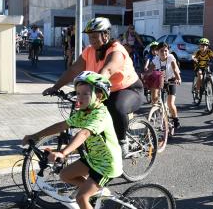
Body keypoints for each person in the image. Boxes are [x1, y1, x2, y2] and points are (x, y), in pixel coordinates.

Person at [22, 71, 122, 209]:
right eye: (78, 93)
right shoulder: (83, 112)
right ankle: (98, 192)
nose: (80, 97)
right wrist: (35, 135)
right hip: (92, 159)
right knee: (65, 175)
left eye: (86, 93)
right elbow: (62, 126)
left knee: (81, 196)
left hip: (107, 164)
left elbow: (83, 134)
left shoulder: (100, 114)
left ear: (98, 95)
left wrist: (64, 152)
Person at [42, 17, 144, 155]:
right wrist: (56, 87)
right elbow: (73, 70)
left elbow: (106, 71)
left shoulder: (117, 51)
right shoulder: (89, 51)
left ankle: (122, 142)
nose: (92, 40)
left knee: (116, 106)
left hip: (128, 89)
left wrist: (90, 89)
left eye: (95, 36)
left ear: (106, 34)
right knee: (91, 115)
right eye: (90, 37)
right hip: (105, 90)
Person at [150, 42, 182, 130]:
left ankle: (176, 119)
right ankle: (157, 114)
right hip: (160, 81)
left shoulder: (171, 57)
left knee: (170, 103)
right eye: (161, 51)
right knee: (154, 99)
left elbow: (175, 69)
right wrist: (144, 77)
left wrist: (178, 78)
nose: (164, 53)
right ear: (157, 52)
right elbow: (150, 70)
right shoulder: (156, 59)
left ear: (168, 51)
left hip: (171, 80)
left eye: (166, 51)